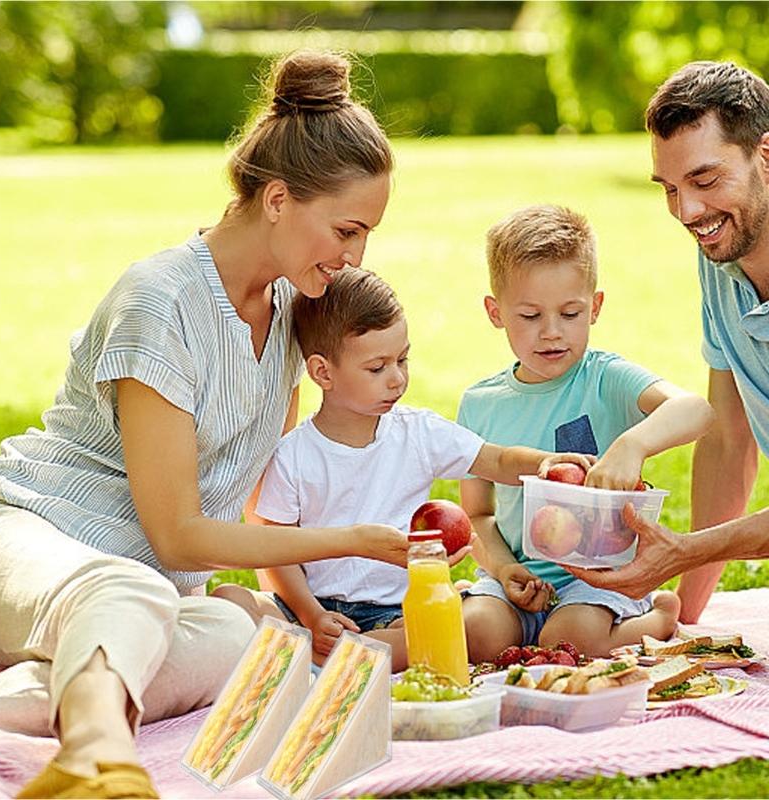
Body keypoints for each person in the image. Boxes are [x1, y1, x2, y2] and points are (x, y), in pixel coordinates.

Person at [0, 50, 410, 799]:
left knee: (243, 636)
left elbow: (245, 501)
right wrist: (354, 542)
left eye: (363, 235)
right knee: (135, 592)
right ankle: (96, 755)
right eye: (345, 230)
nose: (354, 256)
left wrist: (274, 595)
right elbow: (176, 533)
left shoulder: (288, 324)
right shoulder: (161, 302)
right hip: (22, 540)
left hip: (134, 592)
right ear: (277, 200)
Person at [219, 266, 593, 672]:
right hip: (310, 608)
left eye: (402, 359)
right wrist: (312, 615)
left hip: (398, 613)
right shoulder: (294, 455)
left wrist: (544, 464)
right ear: (323, 372)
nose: (397, 379)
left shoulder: (418, 432)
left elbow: (496, 460)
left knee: (448, 632)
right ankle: (330, 652)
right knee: (228, 599)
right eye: (377, 368)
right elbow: (277, 550)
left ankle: (321, 657)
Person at [458, 205, 714, 661]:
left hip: (599, 581)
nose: (552, 333)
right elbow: (477, 514)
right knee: (476, 636)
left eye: (570, 313)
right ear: (495, 313)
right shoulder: (479, 404)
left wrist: (632, 444)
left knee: (568, 643)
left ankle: (656, 617)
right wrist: (504, 569)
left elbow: (696, 409)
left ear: (595, 307)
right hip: (518, 579)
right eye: (530, 316)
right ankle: (516, 614)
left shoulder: (606, 378)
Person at [574, 61, 769, 620]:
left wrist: (682, 553)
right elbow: (730, 442)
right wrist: (684, 622)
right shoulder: (722, 254)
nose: (688, 212)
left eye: (705, 181)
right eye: (670, 189)